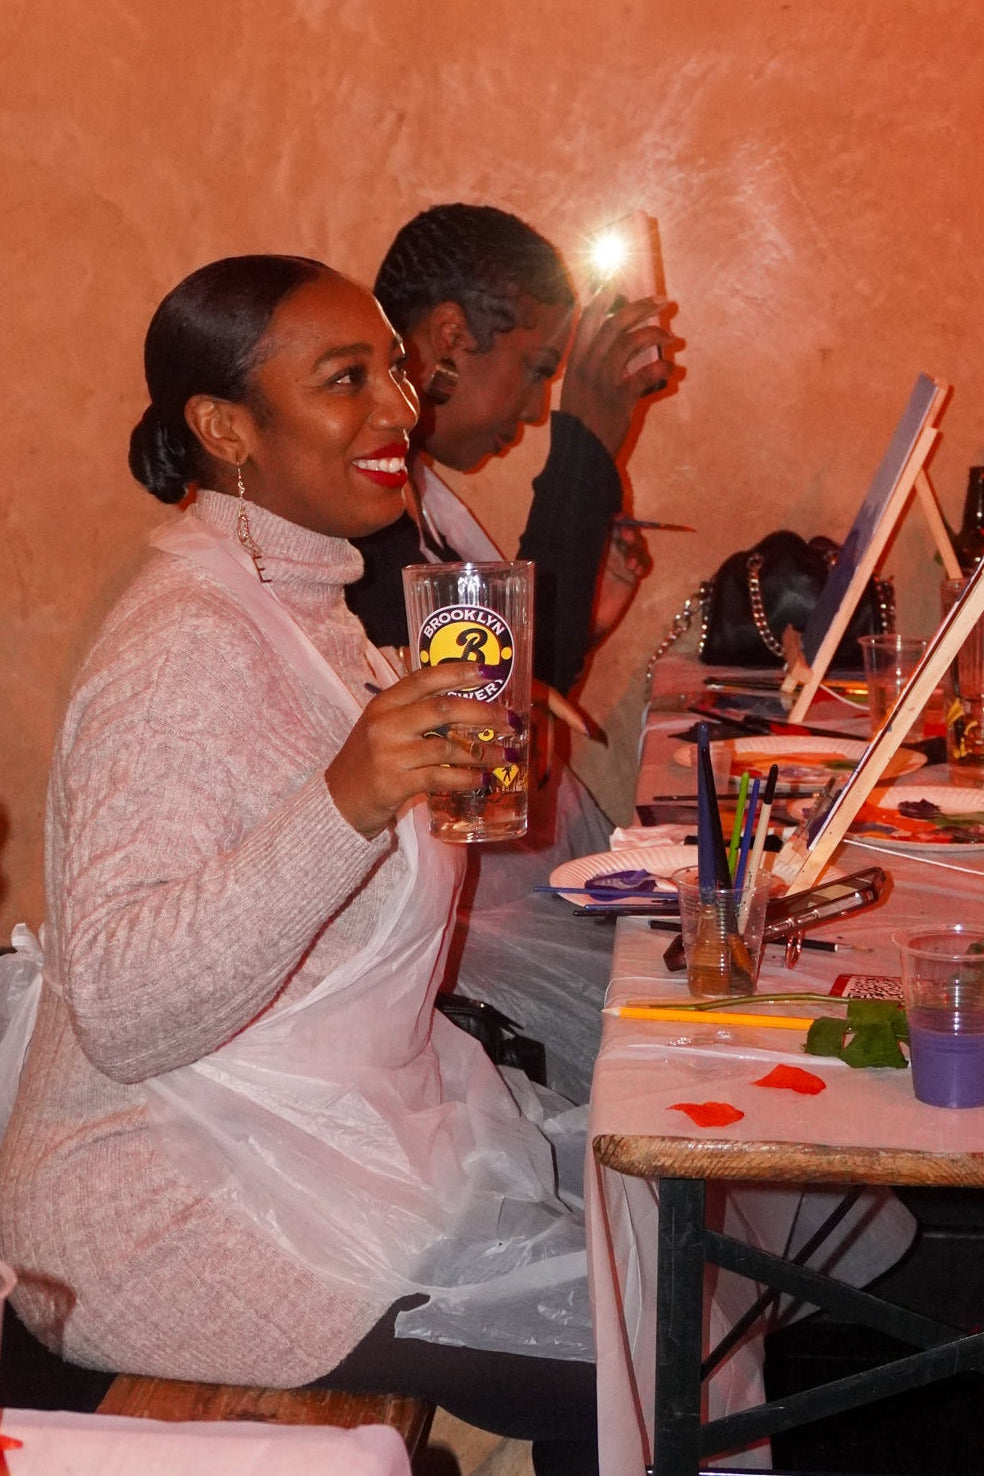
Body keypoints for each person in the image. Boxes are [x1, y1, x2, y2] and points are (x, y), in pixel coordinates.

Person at [0, 255, 599, 1476]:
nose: (399, 410)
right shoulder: (182, 646)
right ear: (226, 428)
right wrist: (348, 802)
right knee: (645, 1348)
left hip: (308, 1142)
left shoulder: (305, 599)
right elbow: (119, 1004)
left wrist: (448, 777)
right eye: (347, 379)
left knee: (660, 1277)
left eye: (393, 369)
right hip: (168, 1209)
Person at [345, 204, 676, 1100]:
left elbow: (512, 685)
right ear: (449, 337)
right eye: (535, 372)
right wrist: (591, 436)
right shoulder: (358, 511)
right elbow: (489, 727)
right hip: (431, 934)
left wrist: (584, 622)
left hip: (480, 889)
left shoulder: (413, 496)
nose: (536, 411)